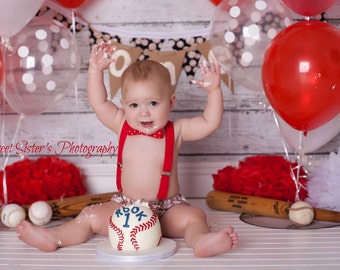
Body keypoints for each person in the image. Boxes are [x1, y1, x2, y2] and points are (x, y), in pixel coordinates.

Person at [16, 42, 238, 257]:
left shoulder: (176, 130)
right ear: (123, 104)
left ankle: (201, 241)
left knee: (194, 216)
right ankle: (54, 238)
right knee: (89, 215)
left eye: (153, 103)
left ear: (171, 102)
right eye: (134, 105)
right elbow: (99, 101)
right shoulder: (121, 124)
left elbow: (209, 122)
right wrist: (95, 70)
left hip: (166, 209)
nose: (144, 113)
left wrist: (214, 91)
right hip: (126, 207)